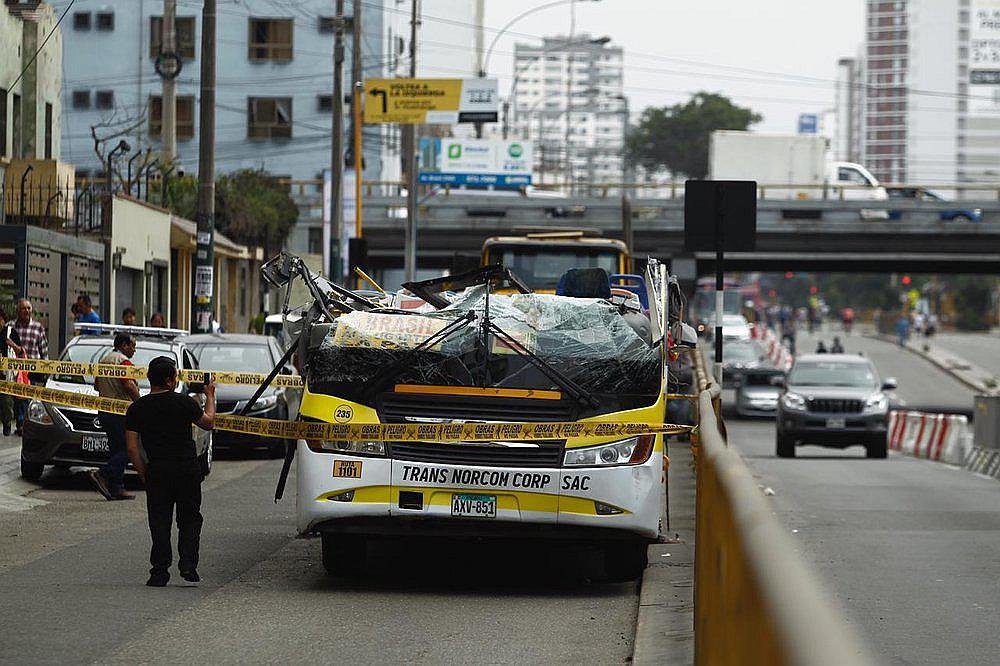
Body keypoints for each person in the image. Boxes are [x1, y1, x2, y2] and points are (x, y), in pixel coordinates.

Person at [125, 357, 215, 587]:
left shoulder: (137, 409)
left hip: (158, 470)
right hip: (186, 469)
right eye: (175, 376)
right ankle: (188, 565)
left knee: (159, 520)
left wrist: (143, 472)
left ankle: (159, 571)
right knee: (190, 518)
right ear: (169, 380)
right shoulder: (184, 403)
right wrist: (210, 396)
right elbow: (208, 423)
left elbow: (132, 447)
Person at [88, 333, 141, 501]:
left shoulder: (103, 361)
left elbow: (97, 385)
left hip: (104, 411)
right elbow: (129, 385)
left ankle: (116, 487)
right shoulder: (123, 361)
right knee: (127, 449)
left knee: (116, 449)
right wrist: (140, 404)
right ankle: (103, 473)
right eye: (132, 346)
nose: (134, 350)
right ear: (124, 345)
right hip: (120, 412)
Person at [13, 299, 48, 435]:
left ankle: (26, 424)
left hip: (33, 370)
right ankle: (21, 423)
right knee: (18, 399)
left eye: (28, 308)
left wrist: (46, 369)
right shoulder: (11, 326)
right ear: (18, 311)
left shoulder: (38, 328)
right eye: (23, 308)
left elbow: (43, 349)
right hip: (15, 369)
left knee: (29, 398)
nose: (26, 311)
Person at [0, 309, 23, 436]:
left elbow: (20, 351)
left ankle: (7, 423)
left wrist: (12, 344)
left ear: (4, 320)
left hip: (7, 376)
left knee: (6, 403)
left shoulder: (10, 332)